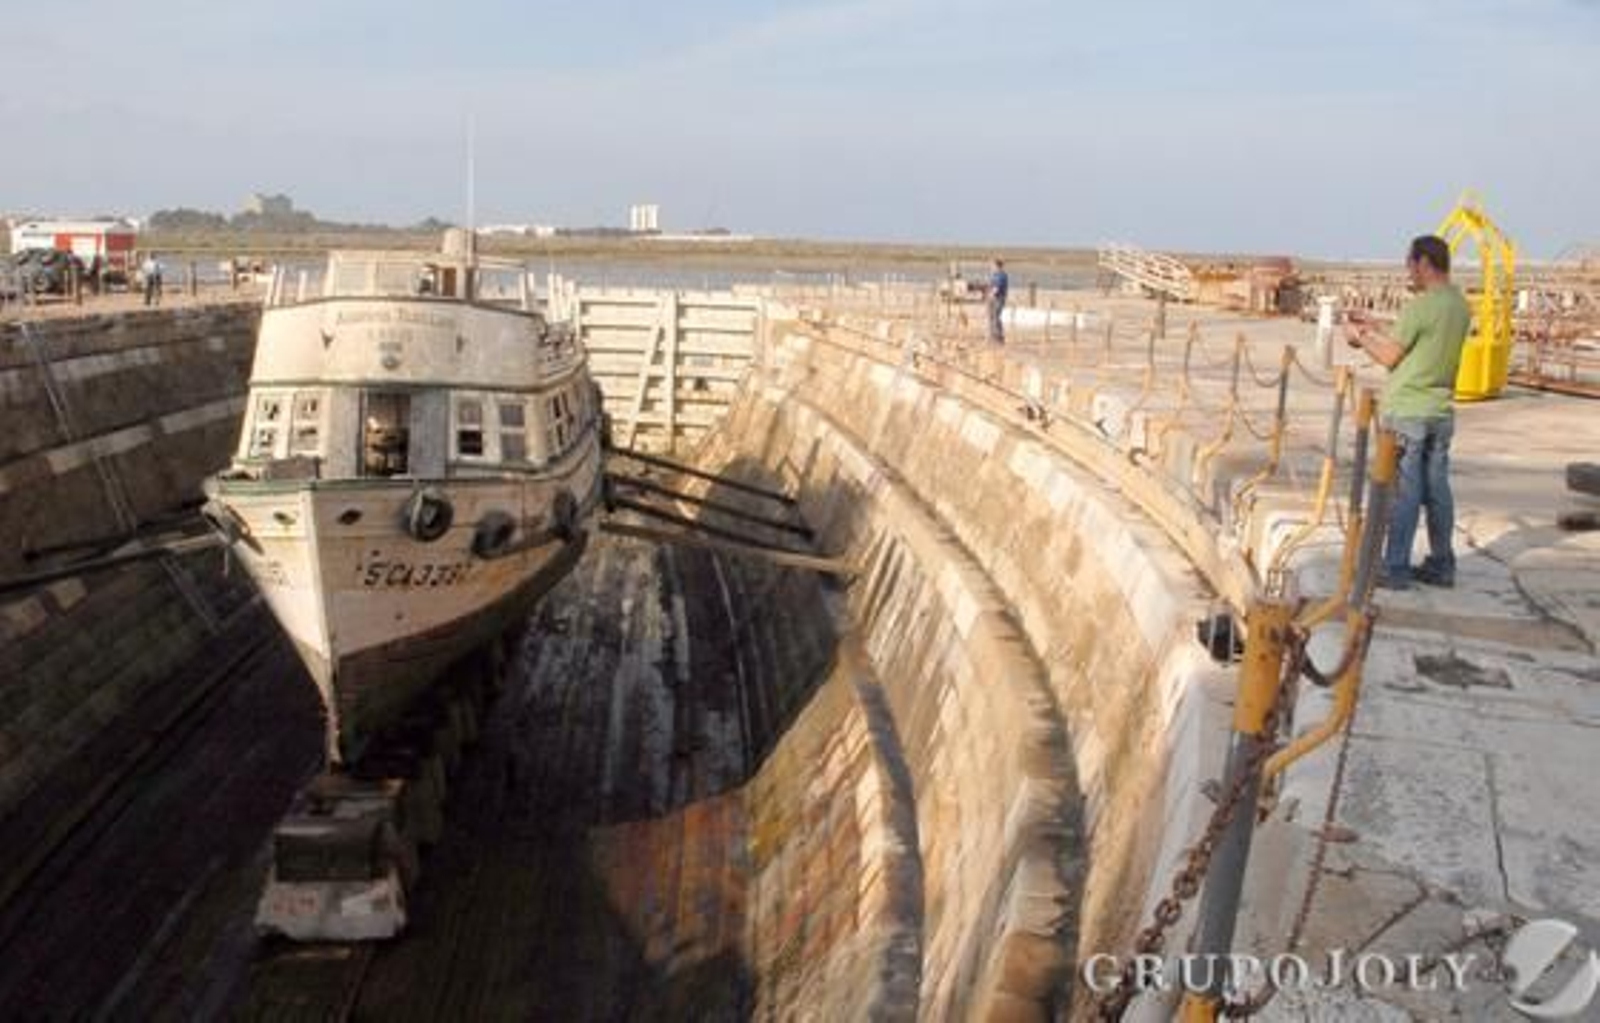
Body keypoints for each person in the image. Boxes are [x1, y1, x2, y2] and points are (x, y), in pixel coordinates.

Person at [1344, 235, 1471, 589]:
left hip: (1409, 411)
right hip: (1441, 411)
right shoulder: (1459, 306)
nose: (1409, 273)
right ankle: (1442, 564)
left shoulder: (1421, 306)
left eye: (1410, 265)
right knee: (1437, 490)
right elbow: (1418, 344)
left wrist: (1358, 338)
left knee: (1405, 492)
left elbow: (1390, 357)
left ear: (1424, 263)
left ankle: (1395, 567)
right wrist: (1376, 326)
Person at [987, 258, 1009, 344]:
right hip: (992, 299)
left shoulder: (1002, 275)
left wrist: (991, 294)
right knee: (991, 317)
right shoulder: (994, 275)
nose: (991, 267)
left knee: (996, 317)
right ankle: (992, 336)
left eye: (992, 265)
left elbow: (997, 288)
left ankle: (999, 337)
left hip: (999, 299)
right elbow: (991, 285)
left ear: (997, 266)